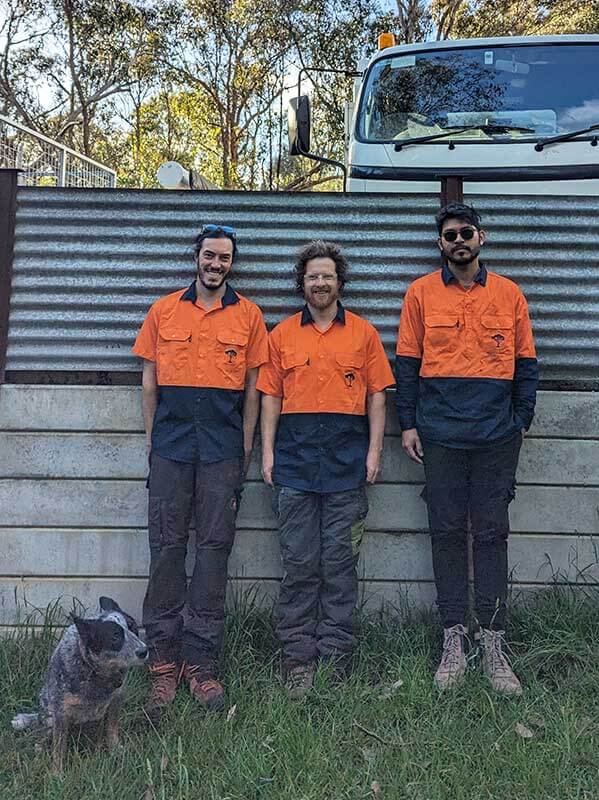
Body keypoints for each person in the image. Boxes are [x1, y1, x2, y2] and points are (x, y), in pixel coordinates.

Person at [396, 202, 538, 695]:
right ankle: (453, 639)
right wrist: (408, 425)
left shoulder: (509, 295)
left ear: (482, 238)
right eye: (450, 235)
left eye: (466, 233)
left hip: (496, 437)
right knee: (447, 533)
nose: (459, 241)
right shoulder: (419, 295)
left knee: (492, 535)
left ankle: (494, 643)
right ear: (440, 244)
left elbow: (526, 363)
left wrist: (520, 421)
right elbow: (408, 365)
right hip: (440, 436)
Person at [132, 224, 268, 715]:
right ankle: (163, 663)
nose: (216, 265)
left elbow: (254, 389)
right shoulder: (163, 311)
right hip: (170, 450)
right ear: (196, 258)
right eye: (209, 256)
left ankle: (201, 664)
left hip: (221, 453)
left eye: (225, 258)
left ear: (232, 264)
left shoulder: (249, 316)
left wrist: (245, 448)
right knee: (166, 551)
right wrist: (152, 443)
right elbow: (149, 382)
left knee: (213, 554)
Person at [258, 240, 395, 698]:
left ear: (340, 283)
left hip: (346, 468)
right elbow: (270, 396)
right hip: (294, 468)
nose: (320, 283)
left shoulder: (364, 334)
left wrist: (374, 452)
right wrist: (268, 453)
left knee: (338, 566)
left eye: (328, 276)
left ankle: (335, 658)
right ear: (302, 283)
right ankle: (297, 658)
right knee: (298, 565)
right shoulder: (280, 336)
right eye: (313, 276)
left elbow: (378, 395)